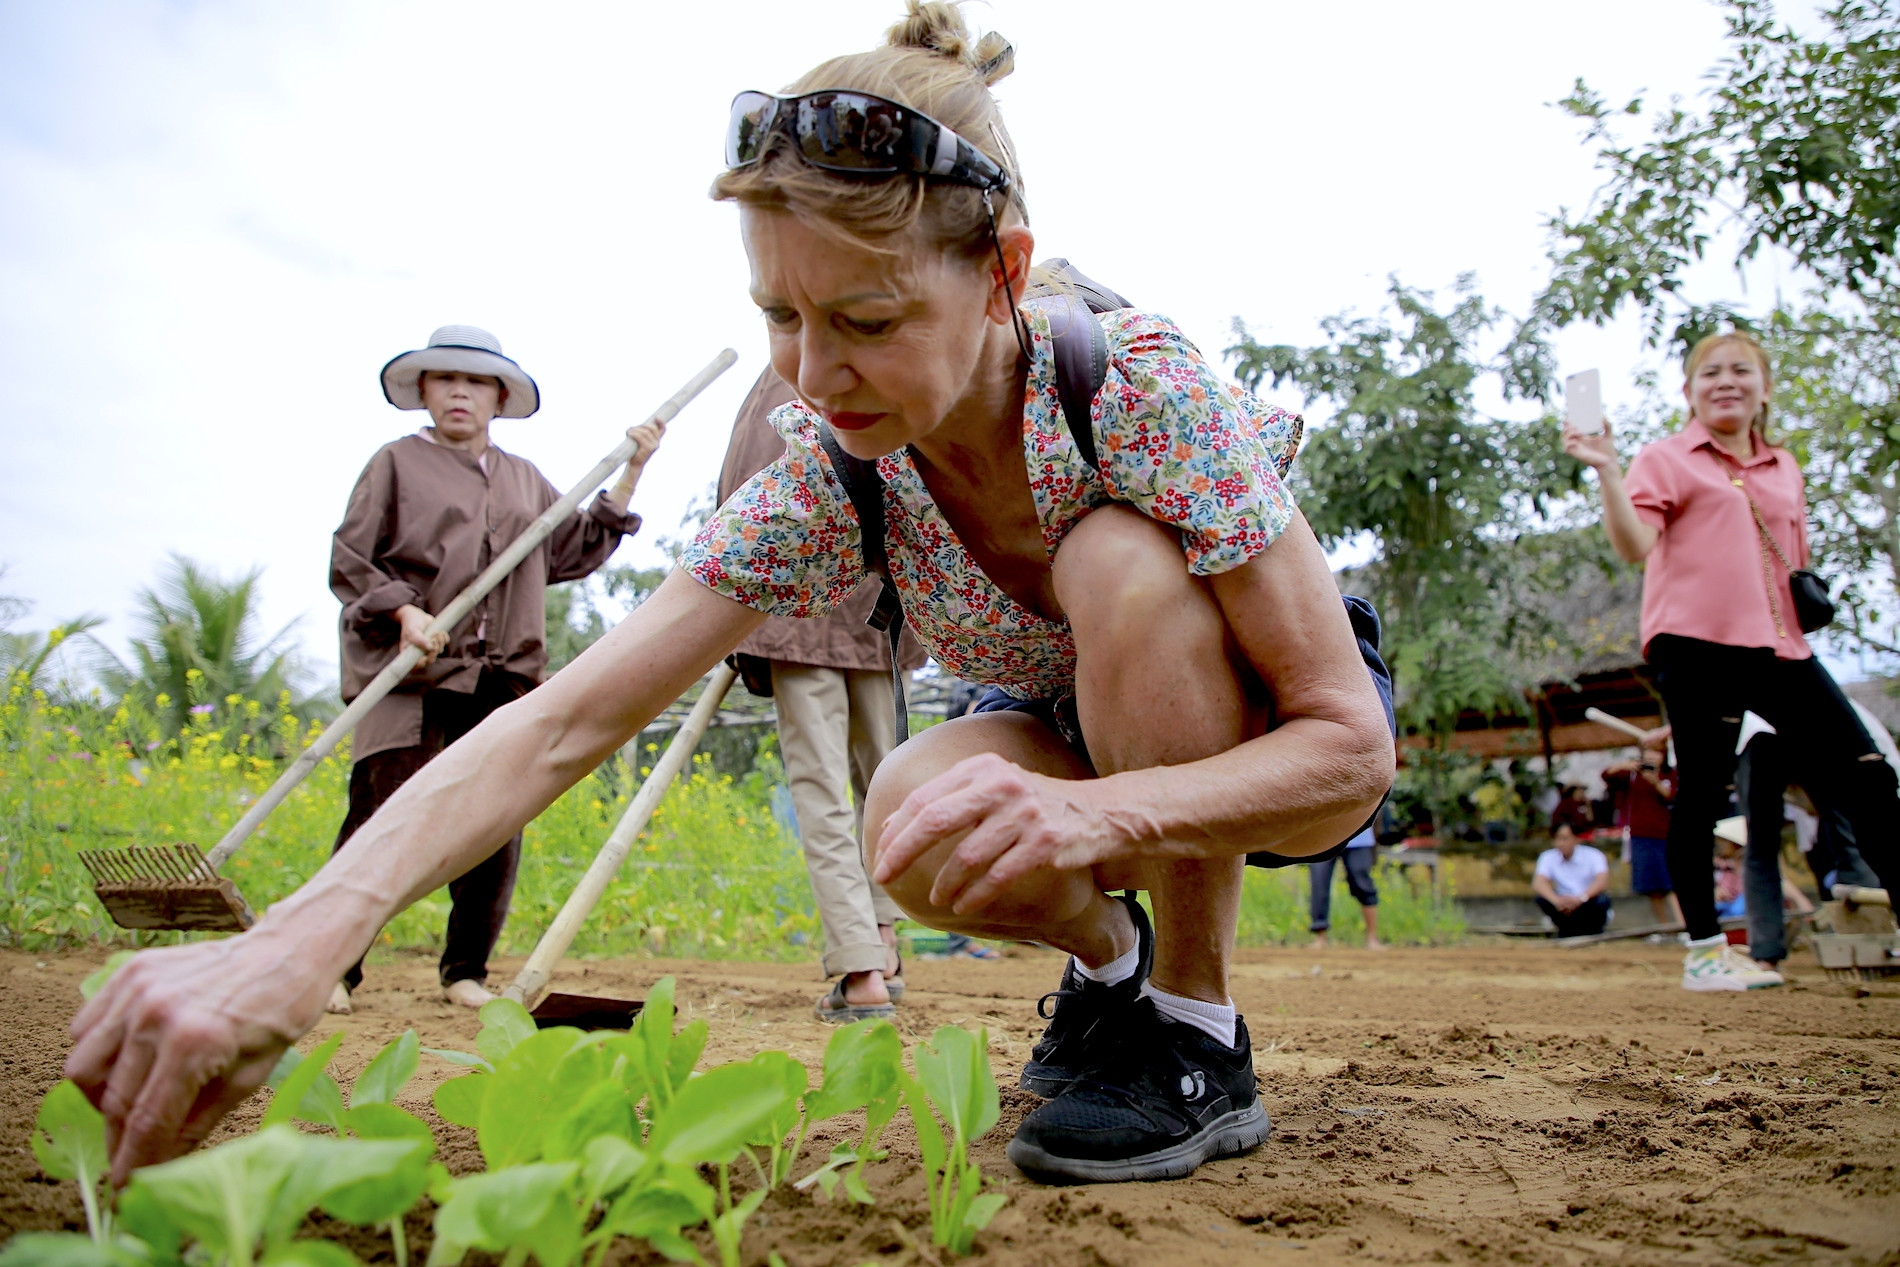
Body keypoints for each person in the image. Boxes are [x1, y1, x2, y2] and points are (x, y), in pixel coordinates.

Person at [66, 4, 1394, 1189]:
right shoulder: (834, 466)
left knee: (1118, 559)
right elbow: (564, 720)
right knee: (903, 815)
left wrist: (1095, 805)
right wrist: (305, 935)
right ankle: (1111, 968)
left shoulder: (1130, 384)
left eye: (867, 320)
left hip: (1250, 724)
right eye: (779, 317)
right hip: (1069, 736)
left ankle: (1192, 1023)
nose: (815, 371)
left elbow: (1349, 750)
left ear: (999, 271)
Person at [327, 325, 664, 1013]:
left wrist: (631, 472)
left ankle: (465, 970)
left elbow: (570, 550)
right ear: (423, 391)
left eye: (476, 381)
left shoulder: (523, 480)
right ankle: (332, 964)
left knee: (494, 817)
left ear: (498, 396)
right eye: (445, 378)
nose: (459, 391)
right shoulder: (394, 464)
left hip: (501, 674)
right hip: (414, 671)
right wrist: (405, 614)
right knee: (382, 810)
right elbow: (351, 560)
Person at [1565, 329, 1898, 991]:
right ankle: (1707, 952)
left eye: (1741, 371)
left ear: (1763, 388)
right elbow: (1635, 545)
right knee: (1704, 795)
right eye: (1709, 372)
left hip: (1782, 649)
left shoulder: (1783, 466)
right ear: (1688, 392)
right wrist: (1607, 467)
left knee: (1868, 775)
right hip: (1697, 646)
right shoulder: (1667, 459)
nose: (1726, 381)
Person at [716, 366, 926, 1022]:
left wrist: (737, 620)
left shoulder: (772, 388)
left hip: (804, 612)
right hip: (876, 610)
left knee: (825, 790)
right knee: (885, 783)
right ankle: (884, 945)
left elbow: (738, 504)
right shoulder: (879, 364)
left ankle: (863, 966)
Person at [1601, 736, 1680, 926]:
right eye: (1648, 751)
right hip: (1640, 835)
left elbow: (1672, 796)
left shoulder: (1669, 775)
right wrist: (1623, 765)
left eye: (1656, 752)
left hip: (1663, 835)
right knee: (1651, 887)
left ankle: (1683, 925)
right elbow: (1606, 775)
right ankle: (1665, 927)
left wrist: (1655, 782)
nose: (1652, 756)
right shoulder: (1632, 775)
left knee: (1669, 884)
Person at [1532, 821, 1612, 937]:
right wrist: (1556, 901)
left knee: (1602, 900)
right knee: (1542, 898)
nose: (1560, 843)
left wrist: (1580, 899)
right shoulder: (1548, 857)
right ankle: (1565, 930)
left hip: (1586, 900)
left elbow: (1602, 882)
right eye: (1557, 839)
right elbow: (1538, 883)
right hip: (1563, 904)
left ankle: (1593, 930)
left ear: (1577, 839)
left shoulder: (1594, 855)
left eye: (1565, 839)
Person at [1308, 827, 1381, 948]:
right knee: (1319, 884)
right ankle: (1320, 937)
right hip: (1322, 838)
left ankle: (1372, 937)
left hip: (1359, 836)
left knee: (1363, 884)